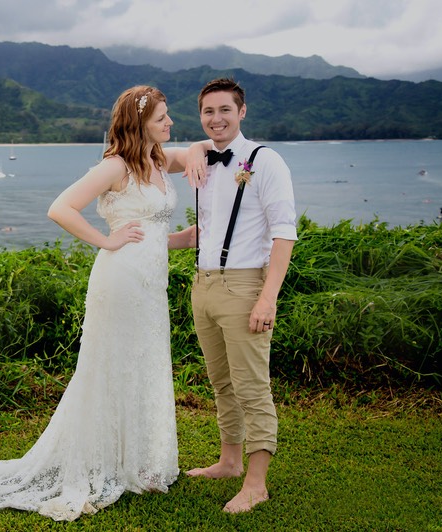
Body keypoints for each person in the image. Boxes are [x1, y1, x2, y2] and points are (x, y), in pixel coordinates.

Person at [0, 85, 203, 521]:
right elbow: (61, 208)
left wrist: (183, 237)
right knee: (112, 365)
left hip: (151, 283)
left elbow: (194, 158)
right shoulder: (116, 166)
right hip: (121, 280)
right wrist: (106, 240)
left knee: (144, 362)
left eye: (168, 116)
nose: (170, 123)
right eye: (162, 117)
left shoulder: (159, 159)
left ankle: (139, 461)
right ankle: (103, 462)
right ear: (139, 123)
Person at [170, 78, 297, 513]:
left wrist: (268, 298)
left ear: (242, 112)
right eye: (208, 111)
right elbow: (203, 230)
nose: (216, 118)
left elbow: (284, 233)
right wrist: (142, 242)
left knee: (252, 386)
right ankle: (229, 462)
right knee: (221, 382)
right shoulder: (202, 159)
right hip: (202, 285)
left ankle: (256, 484)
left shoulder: (266, 161)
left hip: (244, 286)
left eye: (225, 109)